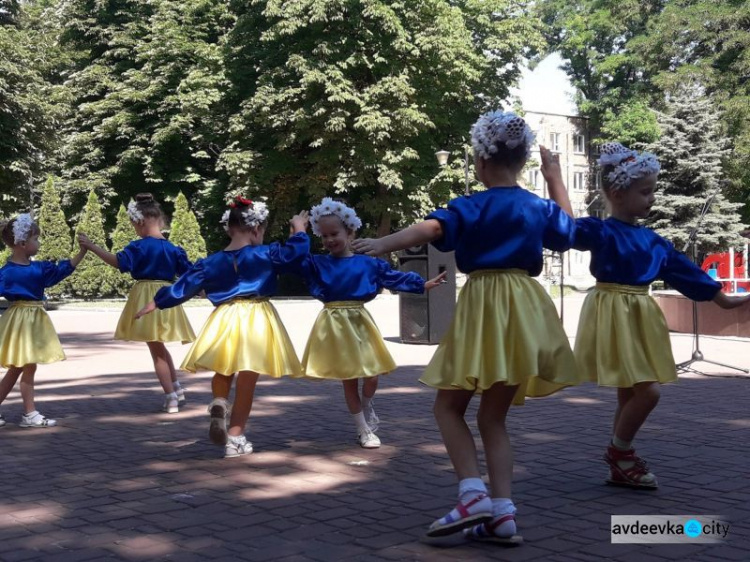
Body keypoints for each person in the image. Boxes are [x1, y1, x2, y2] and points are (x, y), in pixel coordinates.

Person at [352, 110, 578, 542]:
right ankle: (503, 512)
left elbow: (432, 227)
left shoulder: (471, 205)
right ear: (524, 159)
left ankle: (472, 493)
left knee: (448, 407)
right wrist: (554, 178)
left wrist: (382, 243)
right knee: (494, 418)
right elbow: (568, 232)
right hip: (527, 308)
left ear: (479, 162)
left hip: (486, 305)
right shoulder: (537, 206)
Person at [549, 141, 750, 489]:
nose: (652, 198)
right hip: (613, 312)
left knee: (631, 393)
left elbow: (685, 272)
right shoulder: (602, 231)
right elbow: (566, 229)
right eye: (645, 192)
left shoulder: (654, 241)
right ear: (618, 193)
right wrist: (555, 178)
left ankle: (621, 461)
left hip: (639, 314)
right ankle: (618, 451)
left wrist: (726, 301)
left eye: (652, 191)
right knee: (648, 392)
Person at [136, 197, 309, 458]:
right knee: (248, 378)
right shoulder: (267, 254)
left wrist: (157, 302)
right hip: (257, 317)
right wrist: (299, 230)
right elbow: (296, 256)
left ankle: (219, 401)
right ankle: (236, 437)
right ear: (256, 229)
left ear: (228, 229)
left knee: (224, 368)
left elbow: (184, 285)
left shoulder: (210, 262)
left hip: (225, 316)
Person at [298, 198, 446, 449]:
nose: (329, 240)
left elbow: (391, 277)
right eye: (323, 236)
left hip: (359, 321)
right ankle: (362, 428)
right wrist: (299, 232)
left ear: (350, 231)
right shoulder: (317, 263)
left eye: (334, 233)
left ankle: (366, 405)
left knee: (372, 376)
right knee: (349, 378)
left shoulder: (369, 263)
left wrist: (421, 284)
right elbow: (295, 259)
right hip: (333, 324)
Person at [79, 193, 196, 413]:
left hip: (146, 296)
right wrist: (201, 289)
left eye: (133, 225)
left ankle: (170, 396)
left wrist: (92, 247)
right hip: (166, 295)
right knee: (160, 345)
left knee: (156, 349)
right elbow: (190, 274)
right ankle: (177, 388)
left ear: (140, 222)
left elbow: (118, 262)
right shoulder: (173, 249)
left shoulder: (139, 247)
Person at [0, 214, 87, 428]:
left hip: (27, 320)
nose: (39, 243)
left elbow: (61, 271)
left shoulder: (34, 269)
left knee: (21, 367)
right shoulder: (10, 272)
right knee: (26, 367)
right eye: (36, 239)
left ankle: (29, 413)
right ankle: (29, 414)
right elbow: (60, 271)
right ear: (22, 243)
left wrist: (82, 252)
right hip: (23, 322)